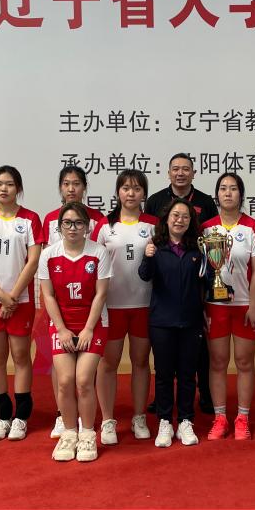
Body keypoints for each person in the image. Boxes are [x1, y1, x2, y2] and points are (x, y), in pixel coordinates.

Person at [0, 166, 42, 443]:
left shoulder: (30, 219)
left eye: (10, 184)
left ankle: (21, 416)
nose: (4, 189)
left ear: (18, 188)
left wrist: (12, 296)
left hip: (21, 299)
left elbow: (33, 261)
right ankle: (2, 416)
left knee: (21, 356)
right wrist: (0, 295)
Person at [145, 153, 218, 414]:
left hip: (194, 270)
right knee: (164, 362)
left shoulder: (206, 202)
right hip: (165, 280)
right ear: (168, 173)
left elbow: (212, 236)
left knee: (197, 353)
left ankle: (205, 395)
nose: (180, 173)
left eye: (186, 169)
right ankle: (163, 406)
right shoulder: (155, 201)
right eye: (175, 168)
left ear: (193, 173)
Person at [39, 203, 111, 462]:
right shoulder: (48, 255)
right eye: (67, 223)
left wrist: (89, 328)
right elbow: (48, 295)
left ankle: (88, 433)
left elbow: (101, 294)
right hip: (62, 325)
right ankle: (70, 432)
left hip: (93, 323)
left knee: (83, 380)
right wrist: (61, 329)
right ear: (59, 227)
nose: (73, 228)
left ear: (87, 227)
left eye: (79, 223)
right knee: (65, 380)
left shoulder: (99, 253)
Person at [201, 173, 255, 440]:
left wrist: (254, 304)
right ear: (217, 195)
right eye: (223, 189)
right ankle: (219, 418)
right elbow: (201, 271)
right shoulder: (206, 228)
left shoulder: (252, 227)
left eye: (234, 189)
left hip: (243, 306)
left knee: (244, 361)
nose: (228, 193)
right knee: (217, 361)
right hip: (214, 306)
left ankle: (242, 417)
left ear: (241, 194)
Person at [138, 198, 207, 447]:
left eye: (185, 216)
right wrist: (147, 257)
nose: (180, 220)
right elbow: (144, 275)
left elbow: (207, 281)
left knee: (188, 374)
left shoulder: (198, 249)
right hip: (162, 322)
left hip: (191, 322)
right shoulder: (156, 247)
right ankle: (165, 421)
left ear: (191, 222)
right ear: (166, 219)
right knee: (164, 374)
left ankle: (186, 420)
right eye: (175, 215)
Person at [97, 169, 157, 443]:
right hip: (111, 306)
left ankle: (139, 416)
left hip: (144, 304)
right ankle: (108, 420)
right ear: (118, 192)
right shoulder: (105, 226)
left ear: (144, 193)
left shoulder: (154, 225)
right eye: (125, 188)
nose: (131, 193)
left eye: (136, 188)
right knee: (108, 363)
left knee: (141, 362)